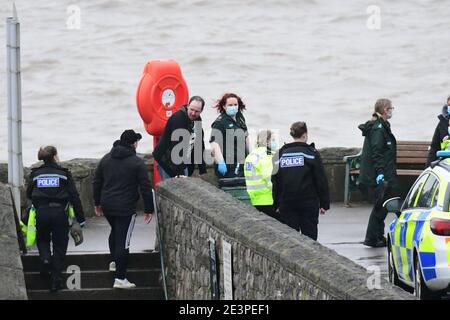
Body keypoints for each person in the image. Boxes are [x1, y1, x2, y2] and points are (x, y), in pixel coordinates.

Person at [93, 129, 154, 289]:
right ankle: (120, 278)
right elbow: (145, 187)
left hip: (107, 205)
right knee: (123, 241)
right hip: (125, 208)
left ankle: (114, 262)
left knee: (115, 231)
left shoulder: (106, 159)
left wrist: (97, 203)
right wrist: (149, 208)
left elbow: (96, 182)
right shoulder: (136, 162)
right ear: (133, 144)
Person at [26, 146, 85, 292]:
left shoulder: (36, 174)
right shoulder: (63, 174)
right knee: (59, 245)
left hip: (42, 213)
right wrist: (81, 218)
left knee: (43, 239)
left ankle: (45, 259)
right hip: (59, 213)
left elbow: (28, 194)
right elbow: (74, 196)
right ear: (55, 156)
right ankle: (56, 281)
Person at [271, 122, 330, 241]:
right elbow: (320, 179)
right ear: (305, 135)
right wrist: (324, 204)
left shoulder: (280, 154)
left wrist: (276, 204)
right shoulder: (311, 154)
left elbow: (276, 181)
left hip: (287, 203)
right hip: (308, 202)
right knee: (310, 237)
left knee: (290, 238)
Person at [358, 98, 397, 247]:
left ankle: (378, 236)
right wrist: (381, 173)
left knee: (381, 206)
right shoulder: (378, 129)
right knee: (380, 207)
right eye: (391, 108)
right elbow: (377, 152)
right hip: (379, 175)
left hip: (384, 172)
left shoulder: (382, 126)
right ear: (385, 110)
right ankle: (372, 238)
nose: (392, 111)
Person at [153, 96, 207, 180]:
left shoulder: (197, 120)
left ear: (201, 111)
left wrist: (202, 169)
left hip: (182, 160)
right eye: (191, 109)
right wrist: (179, 173)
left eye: (196, 111)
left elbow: (199, 144)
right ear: (188, 106)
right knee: (174, 189)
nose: (193, 113)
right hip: (166, 159)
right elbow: (177, 147)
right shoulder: (179, 119)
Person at [210, 93, 250, 178]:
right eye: (230, 105)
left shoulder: (240, 118)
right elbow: (214, 143)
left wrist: (251, 156)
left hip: (242, 163)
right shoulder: (219, 122)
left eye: (235, 105)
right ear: (224, 106)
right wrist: (221, 162)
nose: (233, 107)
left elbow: (246, 137)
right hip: (228, 165)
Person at [244, 130, 278, 219]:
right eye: (273, 140)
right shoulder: (267, 155)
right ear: (266, 141)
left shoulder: (251, 156)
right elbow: (270, 179)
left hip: (255, 200)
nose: (275, 143)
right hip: (269, 199)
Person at [426, 95, 450, 167]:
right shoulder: (443, 122)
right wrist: (429, 167)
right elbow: (434, 147)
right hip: (445, 165)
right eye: (449, 105)